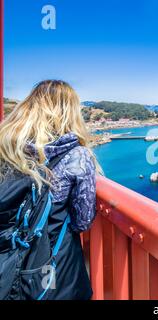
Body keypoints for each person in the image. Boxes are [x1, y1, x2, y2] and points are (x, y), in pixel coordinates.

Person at [0, 80, 101, 300]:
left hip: (8, 256)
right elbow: (82, 221)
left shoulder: (7, 147)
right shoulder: (76, 155)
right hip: (50, 264)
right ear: (69, 112)